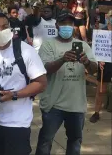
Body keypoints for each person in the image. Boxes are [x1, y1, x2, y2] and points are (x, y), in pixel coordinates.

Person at [0, 13, 47, 155]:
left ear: (10, 28)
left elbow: (41, 83)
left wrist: (14, 94)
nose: (0, 31)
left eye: (4, 27)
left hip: (17, 124)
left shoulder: (26, 51)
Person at [35, 10, 98, 155]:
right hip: (53, 104)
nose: (67, 26)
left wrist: (87, 62)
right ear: (57, 25)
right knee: (46, 140)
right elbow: (45, 69)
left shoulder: (83, 45)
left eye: (70, 23)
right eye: (63, 23)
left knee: (75, 141)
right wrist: (62, 59)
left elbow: (94, 70)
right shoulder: (48, 45)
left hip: (76, 104)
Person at [90, 10, 112, 123]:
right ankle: (96, 112)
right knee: (101, 90)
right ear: (108, 17)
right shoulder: (101, 32)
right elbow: (97, 49)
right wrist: (99, 61)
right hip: (105, 62)